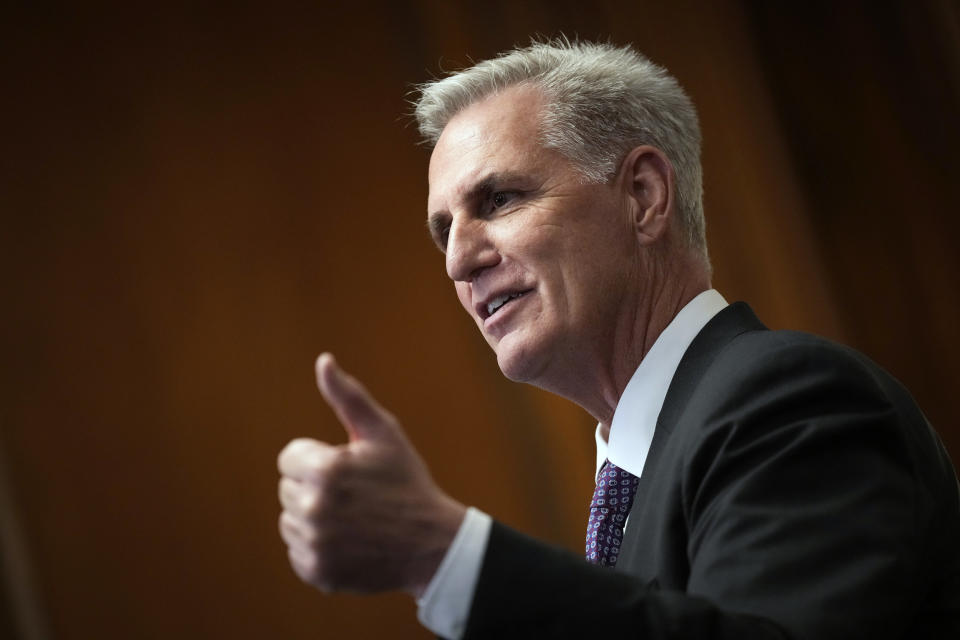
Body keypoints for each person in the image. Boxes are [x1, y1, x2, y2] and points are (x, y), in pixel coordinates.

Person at [276, 39, 960, 639]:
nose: (458, 261)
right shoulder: (645, 473)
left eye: (499, 200)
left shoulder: (786, 401)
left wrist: (442, 555)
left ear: (643, 196)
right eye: (443, 231)